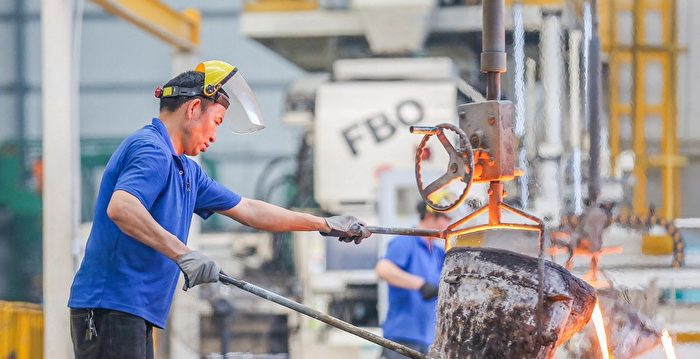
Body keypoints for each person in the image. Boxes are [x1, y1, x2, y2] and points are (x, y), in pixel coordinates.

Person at [67, 60, 370, 359]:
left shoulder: (186, 169)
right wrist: (182, 253)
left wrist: (323, 223)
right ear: (194, 108)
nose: (214, 135)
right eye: (216, 122)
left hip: (131, 310)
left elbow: (249, 209)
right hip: (111, 307)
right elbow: (121, 207)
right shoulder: (151, 150)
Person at [375, 198, 451, 358]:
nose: (449, 222)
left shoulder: (436, 253)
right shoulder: (407, 241)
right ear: (430, 216)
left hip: (428, 340)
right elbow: (383, 269)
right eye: (446, 217)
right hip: (402, 339)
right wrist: (421, 285)